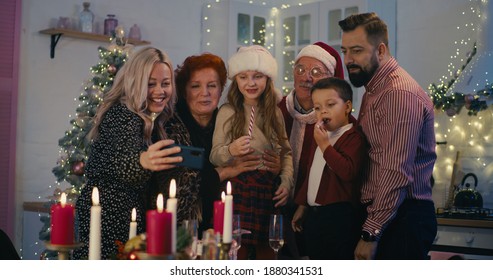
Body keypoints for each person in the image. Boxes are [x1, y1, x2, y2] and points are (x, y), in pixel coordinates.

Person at [339, 12, 437, 260]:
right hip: (387, 216)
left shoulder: (398, 93)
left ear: (380, 50)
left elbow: (395, 171)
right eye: (345, 51)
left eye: (357, 51)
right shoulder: (373, 88)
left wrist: (371, 233)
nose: (348, 59)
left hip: (401, 218)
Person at [74, 47, 183, 259]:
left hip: (128, 216)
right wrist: (143, 161)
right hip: (107, 217)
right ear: (136, 83)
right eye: (151, 84)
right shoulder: (123, 115)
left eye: (165, 83)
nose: (160, 91)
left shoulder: (152, 119)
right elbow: (124, 159)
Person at [174, 53, 281, 235]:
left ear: (221, 89)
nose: (205, 93)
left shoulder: (229, 120)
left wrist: (275, 165)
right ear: (184, 91)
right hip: (182, 227)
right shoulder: (172, 127)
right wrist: (227, 171)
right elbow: (182, 184)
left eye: (212, 86)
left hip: (224, 221)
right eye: (195, 86)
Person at [210, 45, 293, 260]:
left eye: (257, 76)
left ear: (267, 78)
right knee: (235, 253)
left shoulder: (275, 113)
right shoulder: (227, 111)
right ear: (236, 80)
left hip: (267, 192)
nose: (251, 83)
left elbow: (286, 154)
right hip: (239, 191)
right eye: (243, 77)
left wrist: (285, 181)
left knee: (269, 254)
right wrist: (231, 149)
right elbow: (214, 155)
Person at [278, 41, 345, 259]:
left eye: (316, 72)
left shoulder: (341, 124)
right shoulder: (276, 111)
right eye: (300, 69)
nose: (306, 77)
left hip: (318, 222)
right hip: (276, 214)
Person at [291, 77, 367, 260]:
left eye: (330, 104)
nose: (323, 110)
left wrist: (325, 146)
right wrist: (303, 205)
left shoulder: (353, 137)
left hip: (339, 217)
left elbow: (348, 171)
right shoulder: (322, 136)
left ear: (347, 107)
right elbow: (312, 172)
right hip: (316, 216)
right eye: (317, 107)